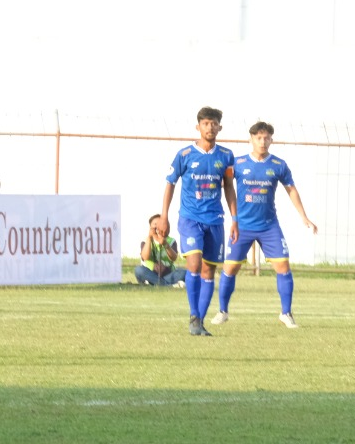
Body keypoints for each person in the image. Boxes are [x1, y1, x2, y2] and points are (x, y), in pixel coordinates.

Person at [211, 121, 318, 329]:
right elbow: (225, 185)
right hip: (242, 226)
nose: (262, 141)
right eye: (258, 137)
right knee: (230, 268)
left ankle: (286, 313)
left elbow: (291, 190)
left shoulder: (278, 165)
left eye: (266, 137)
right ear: (250, 139)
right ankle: (223, 311)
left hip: (269, 226)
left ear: (271, 140)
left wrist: (304, 217)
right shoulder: (238, 163)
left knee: (283, 265)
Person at [156, 106, 237, 337]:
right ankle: (193, 314)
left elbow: (229, 187)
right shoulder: (184, 155)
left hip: (215, 220)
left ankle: (199, 321)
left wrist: (235, 219)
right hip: (190, 218)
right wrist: (164, 216)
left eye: (214, 124)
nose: (210, 127)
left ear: (219, 127)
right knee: (194, 264)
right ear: (198, 127)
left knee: (209, 271)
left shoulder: (226, 156)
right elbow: (170, 183)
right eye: (205, 123)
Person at [136, 214, 187, 287]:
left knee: (184, 272)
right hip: (150, 274)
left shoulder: (171, 241)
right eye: (155, 224)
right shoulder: (145, 241)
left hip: (168, 275)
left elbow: (173, 258)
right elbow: (145, 257)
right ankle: (169, 286)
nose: (157, 227)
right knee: (139, 270)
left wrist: (165, 244)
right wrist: (150, 238)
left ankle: (155, 284)